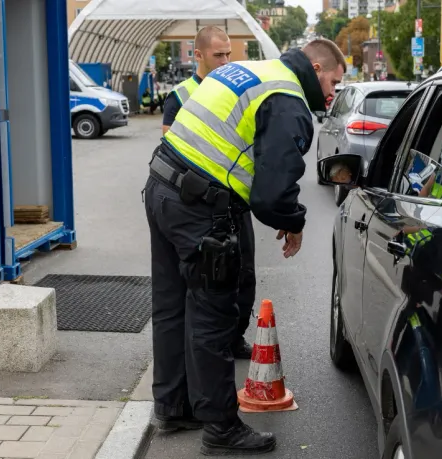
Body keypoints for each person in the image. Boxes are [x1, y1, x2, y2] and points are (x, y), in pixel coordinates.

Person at [143, 39, 345, 455]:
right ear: (316, 64)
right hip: (200, 207)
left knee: (171, 307)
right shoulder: (287, 100)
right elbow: (271, 197)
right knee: (213, 316)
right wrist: (294, 222)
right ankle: (220, 427)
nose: (332, 92)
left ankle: (172, 406)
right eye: (333, 80)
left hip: (161, 188)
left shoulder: (248, 70)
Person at [160, 27, 255, 359]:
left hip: (235, 200)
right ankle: (206, 346)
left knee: (244, 273)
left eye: (229, 54)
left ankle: (235, 336)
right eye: (219, 55)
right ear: (196, 55)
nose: (226, 60)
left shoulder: (238, 92)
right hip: (199, 203)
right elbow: (172, 146)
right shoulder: (182, 95)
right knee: (206, 278)